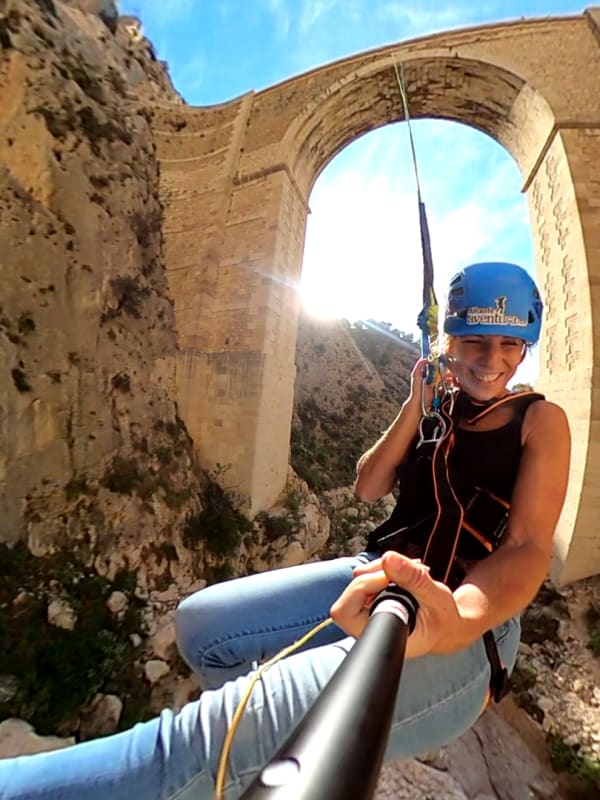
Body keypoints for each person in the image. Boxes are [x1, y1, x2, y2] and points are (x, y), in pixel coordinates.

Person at [0, 262, 570, 800]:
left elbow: (526, 547)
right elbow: (368, 486)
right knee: (201, 627)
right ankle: (249, 751)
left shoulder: (539, 421)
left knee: (206, 738)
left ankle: (228, 750)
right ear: (449, 341)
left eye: (508, 345)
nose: (491, 359)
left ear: (522, 350)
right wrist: (413, 404)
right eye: (475, 341)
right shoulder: (435, 407)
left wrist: (458, 618)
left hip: (468, 626)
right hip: (378, 576)